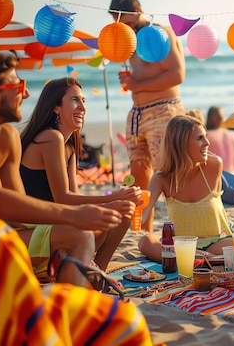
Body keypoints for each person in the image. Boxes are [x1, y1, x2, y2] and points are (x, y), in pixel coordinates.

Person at [0, 50, 151, 344]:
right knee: (80, 235)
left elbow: (16, 207)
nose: (26, 92)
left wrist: (96, 207)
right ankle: (72, 316)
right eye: (18, 85)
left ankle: (77, 302)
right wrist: (77, 215)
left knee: (82, 231)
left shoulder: (7, 138)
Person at [19, 77, 142, 283]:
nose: (83, 107)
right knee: (109, 213)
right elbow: (63, 198)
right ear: (56, 107)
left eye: (83, 100)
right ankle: (92, 276)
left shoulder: (69, 144)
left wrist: (115, 201)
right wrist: (111, 199)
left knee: (123, 211)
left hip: (56, 224)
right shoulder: (50, 137)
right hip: (35, 231)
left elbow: (74, 197)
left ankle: (96, 276)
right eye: (75, 100)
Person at [109, 0, 186, 232]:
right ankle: (143, 232)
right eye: (118, 22)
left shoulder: (159, 34)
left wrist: (137, 85)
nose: (124, 27)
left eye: (127, 21)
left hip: (163, 110)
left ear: (139, 11)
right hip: (137, 116)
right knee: (139, 172)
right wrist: (129, 81)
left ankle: (186, 226)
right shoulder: (129, 43)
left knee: (170, 172)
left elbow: (176, 75)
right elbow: (139, 78)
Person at [138, 115, 233, 261]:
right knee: (145, 242)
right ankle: (209, 259)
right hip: (180, 246)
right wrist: (131, 202)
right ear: (181, 144)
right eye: (200, 138)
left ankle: (200, 259)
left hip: (215, 243)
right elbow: (142, 214)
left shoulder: (214, 165)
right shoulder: (162, 177)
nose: (207, 143)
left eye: (206, 136)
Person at [205, 105, 234, 174]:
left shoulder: (206, 136)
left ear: (209, 118)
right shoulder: (233, 135)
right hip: (232, 175)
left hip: (215, 177)